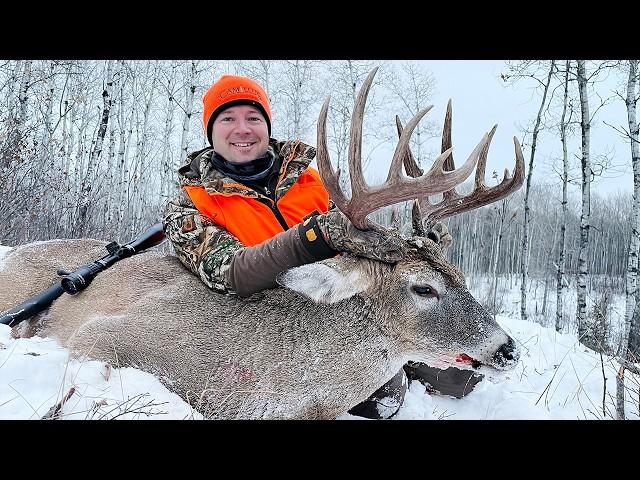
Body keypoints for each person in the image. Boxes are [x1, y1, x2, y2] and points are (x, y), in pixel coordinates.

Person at [163, 74, 481, 419]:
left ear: (266, 125)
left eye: (253, 118)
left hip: (344, 306)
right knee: (384, 394)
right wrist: (313, 236)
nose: (242, 129)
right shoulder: (191, 204)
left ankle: (409, 355)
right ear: (210, 131)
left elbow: (354, 239)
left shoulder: (310, 181)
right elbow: (230, 273)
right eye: (227, 119)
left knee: (462, 380)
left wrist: (411, 247)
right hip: (264, 330)